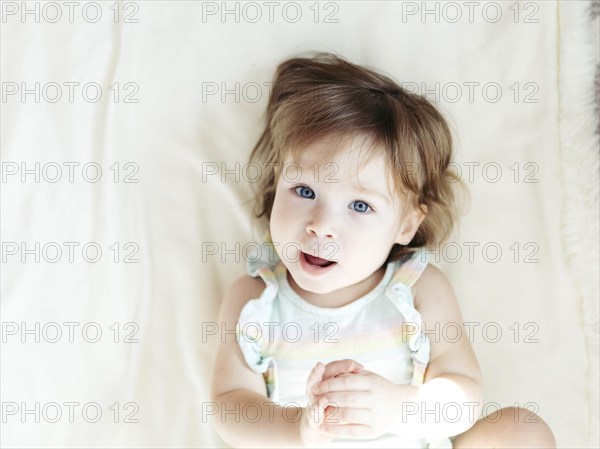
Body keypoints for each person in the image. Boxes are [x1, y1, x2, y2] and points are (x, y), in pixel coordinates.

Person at [210, 53, 556, 448]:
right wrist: (297, 427)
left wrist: (399, 407)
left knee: (519, 429)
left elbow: (464, 394)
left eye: (360, 206)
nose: (321, 224)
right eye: (304, 191)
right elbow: (230, 406)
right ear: (276, 186)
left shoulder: (417, 289)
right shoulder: (256, 300)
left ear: (406, 225)